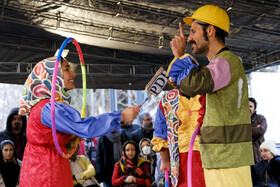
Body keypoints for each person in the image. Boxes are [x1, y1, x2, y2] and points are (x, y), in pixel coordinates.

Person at [18, 57, 140, 187]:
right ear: (53, 76)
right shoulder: (48, 108)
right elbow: (85, 127)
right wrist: (119, 116)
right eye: (66, 69)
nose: (73, 73)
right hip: (47, 174)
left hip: (46, 169)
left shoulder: (42, 106)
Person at [168, 5, 254, 186]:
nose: (190, 38)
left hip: (229, 159)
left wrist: (180, 56)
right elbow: (188, 84)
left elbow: (192, 84)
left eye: (193, 31)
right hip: (221, 159)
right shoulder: (220, 64)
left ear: (210, 30)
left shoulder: (226, 62)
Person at [151, 88, 205, 187]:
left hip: (206, 156)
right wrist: (164, 160)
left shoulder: (207, 93)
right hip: (178, 159)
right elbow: (160, 133)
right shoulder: (167, 100)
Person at [249, 97, 268, 163]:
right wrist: (255, 129)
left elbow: (261, 130)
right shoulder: (240, 121)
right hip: (247, 157)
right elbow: (238, 133)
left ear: (254, 108)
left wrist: (245, 130)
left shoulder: (260, 118)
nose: (248, 108)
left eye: (250, 106)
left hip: (260, 155)